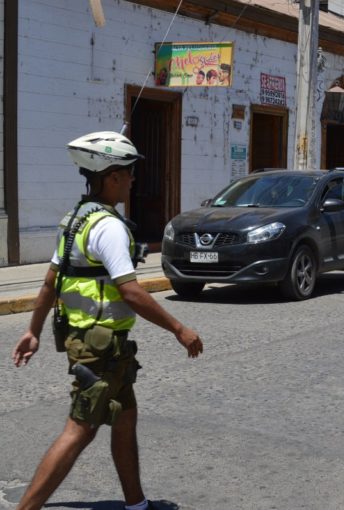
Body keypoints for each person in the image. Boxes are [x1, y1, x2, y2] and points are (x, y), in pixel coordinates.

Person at [11, 131, 204, 510]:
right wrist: (180, 329)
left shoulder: (75, 220)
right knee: (79, 430)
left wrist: (32, 331)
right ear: (112, 175)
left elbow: (52, 281)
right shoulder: (109, 226)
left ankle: (137, 504)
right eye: (129, 172)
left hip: (103, 344)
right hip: (98, 347)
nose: (133, 180)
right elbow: (130, 291)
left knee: (125, 419)